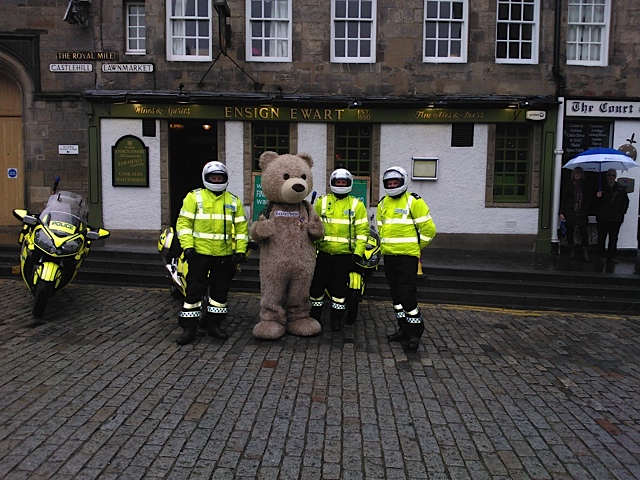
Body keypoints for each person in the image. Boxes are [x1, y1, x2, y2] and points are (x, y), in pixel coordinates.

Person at [174, 161, 249, 345]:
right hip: (199, 254)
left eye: (219, 177)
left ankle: (214, 325)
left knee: (219, 294)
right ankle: (189, 328)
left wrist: (240, 250)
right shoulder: (194, 197)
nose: (216, 180)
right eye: (213, 177)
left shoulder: (233, 200)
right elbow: (183, 224)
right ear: (206, 178)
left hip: (224, 256)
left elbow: (241, 228)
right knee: (193, 293)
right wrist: (187, 246)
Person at [376, 166, 436, 350]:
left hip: (407, 258)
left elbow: (429, 230)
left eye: (396, 182)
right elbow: (380, 226)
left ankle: (415, 332)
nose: (392, 185)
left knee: (407, 296)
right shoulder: (383, 203)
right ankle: (403, 328)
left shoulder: (413, 202)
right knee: (396, 297)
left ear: (403, 182)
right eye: (390, 183)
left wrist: (417, 248)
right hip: (389, 257)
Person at [309, 168, 369, 331]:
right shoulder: (322, 202)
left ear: (349, 184)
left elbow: (362, 232)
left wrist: (358, 253)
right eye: (338, 182)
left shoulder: (357, 205)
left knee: (339, 291)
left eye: (343, 182)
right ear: (332, 183)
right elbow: (313, 225)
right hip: (323, 254)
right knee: (316, 288)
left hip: (345, 256)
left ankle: (337, 320)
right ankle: (315, 317)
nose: (340, 185)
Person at [595, 168, 629, 263]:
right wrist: (598, 198)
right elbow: (595, 205)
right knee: (601, 238)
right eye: (609, 175)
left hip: (615, 218)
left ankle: (611, 256)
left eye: (613, 175)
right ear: (606, 177)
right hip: (603, 218)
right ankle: (600, 256)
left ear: (615, 177)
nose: (611, 177)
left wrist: (622, 212)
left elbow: (625, 202)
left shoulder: (620, 189)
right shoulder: (601, 189)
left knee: (613, 238)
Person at [559, 166, 592, 262]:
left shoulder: (586, 185)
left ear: (582, 175)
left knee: (583, 232)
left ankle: (585, 253)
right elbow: (564, 199)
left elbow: (589, 199)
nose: (577, 175)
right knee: (570, 231)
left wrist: (585, 209)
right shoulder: (568, 185)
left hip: (582, 211)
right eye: (575, 173)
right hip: (570, 211)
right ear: (573, 175)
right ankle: (571, 252)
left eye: (579, 173)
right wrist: (561, 212)